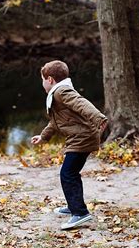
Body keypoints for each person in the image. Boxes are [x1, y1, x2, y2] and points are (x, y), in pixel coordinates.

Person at [31, 60, 108, 229]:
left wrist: (99, 117)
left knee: (68, 174)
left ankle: (80, 213)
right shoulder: (58, 94)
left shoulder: (62, 92)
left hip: (82, 137)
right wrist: (43, 137)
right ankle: (74, 206)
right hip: (79, 137)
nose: (42, 84)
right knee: (70, 173)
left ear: (50, 79)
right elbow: (55, 122)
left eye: (43, 80)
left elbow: (81, 103)